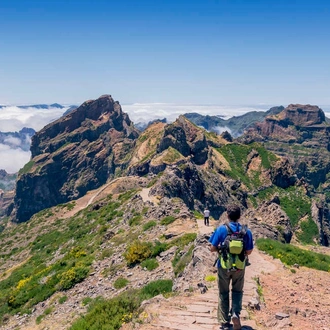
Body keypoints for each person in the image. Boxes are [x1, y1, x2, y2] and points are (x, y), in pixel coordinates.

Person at [209, 204, 253, 330]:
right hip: (239, 266)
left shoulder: (221, 229)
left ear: (227, 215)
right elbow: (249, 251)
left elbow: (212, 248)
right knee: (237, 291)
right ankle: (235, 313)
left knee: (223, 292)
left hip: (224, 265)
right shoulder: (246, 231)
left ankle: (224, 321)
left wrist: (220, 248)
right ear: (240, 216)